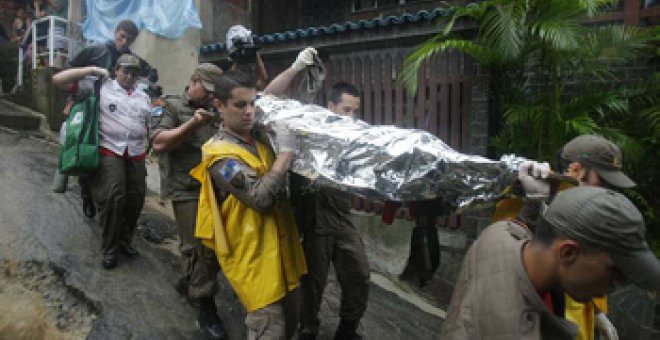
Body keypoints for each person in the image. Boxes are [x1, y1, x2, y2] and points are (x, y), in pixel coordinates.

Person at [442, 185, 660, 339]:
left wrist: (533, 202)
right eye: (614, 273)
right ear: (567, 253)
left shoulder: (495, 237)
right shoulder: (517, 330)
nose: (610, 289)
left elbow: (515, 229)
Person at [190, 69, 307, 339]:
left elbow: (271, 95)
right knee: (269, 328)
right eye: (240, 105)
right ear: (219, 106)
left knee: (290, 326)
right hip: (253, 256)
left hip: (282, 250)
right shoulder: (218, 155)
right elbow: (259, 199)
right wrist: (286, 155)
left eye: (252, 104)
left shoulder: (258, 139)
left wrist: (297, 69)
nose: (249, 111)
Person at [265, 50, 369, 340]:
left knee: (359, 274)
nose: (351, 117)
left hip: (341, 217)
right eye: (346, 110)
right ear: (330, 106)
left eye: (355, 111)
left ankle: (348, 329)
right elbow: (268, 97)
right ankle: (308, 329)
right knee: (313, 284)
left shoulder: (355, 138)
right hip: (312, 219)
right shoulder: (309, 127)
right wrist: (297, 67)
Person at [499, 134, 635, 340]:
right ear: (576, 171)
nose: (608, 192)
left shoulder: (589, 215)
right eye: (603, 181)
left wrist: (598, 314)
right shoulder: (528, 203)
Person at [149, 63, 227, 340]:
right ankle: (204, 306)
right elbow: (159, 143)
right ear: (193, 82)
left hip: (215, 188)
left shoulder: (217, 109)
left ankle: (190, 281)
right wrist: (194, 122)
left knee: (221, 247)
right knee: (197, 248)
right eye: (206, 91)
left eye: (212, 94)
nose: (209, 98)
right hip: (186, 188)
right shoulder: (168, 106)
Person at [52, 54, 152, 270]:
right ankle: (110, 248)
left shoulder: (143, 96)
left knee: (136, 199)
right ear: (116, 70)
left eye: (133, 72)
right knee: (114, 197)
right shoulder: (101, 86)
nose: (129, 76)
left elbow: (150, 121)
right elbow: (59, 80)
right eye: (125, 71)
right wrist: (92, 70)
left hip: (136, 151)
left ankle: (125, 241)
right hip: (110, 149)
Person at [53, 19, 155, 221]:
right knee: (85, 152)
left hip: (117, 114)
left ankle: (106, 202)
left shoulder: (131, 58)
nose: (124, 42)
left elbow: (149, 74)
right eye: (122, 36)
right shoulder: (96, 51)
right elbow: (67, 74)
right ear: (116, 32)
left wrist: (149, 78)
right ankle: (86, 195)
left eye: (129, 39)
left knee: (108, 163)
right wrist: (73, 99)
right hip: (90, 106)